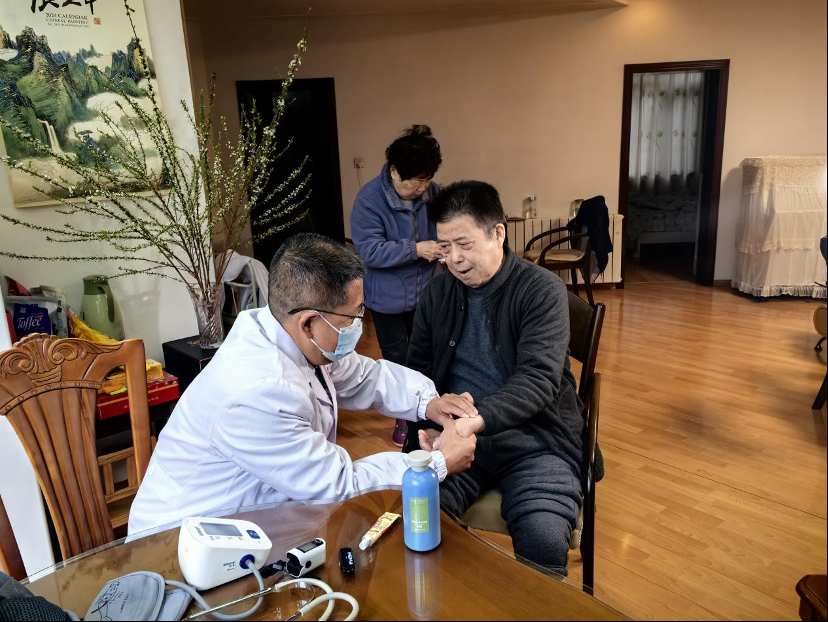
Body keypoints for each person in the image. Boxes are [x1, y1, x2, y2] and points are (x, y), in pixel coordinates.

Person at [128, 233, 477, 535]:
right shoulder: (257, 390)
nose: (360, 323)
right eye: (354, 315)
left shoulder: (288, 333)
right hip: (182, 543)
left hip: (262, 519)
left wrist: (427, 402)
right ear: (309, 322)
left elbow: (362, 375)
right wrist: (436, 463)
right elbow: (336, 483)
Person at [403, 181, 604, 576]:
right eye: (444, 247)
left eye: (464, 244)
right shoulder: (437, 294)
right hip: (456, 441)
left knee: (543, 541)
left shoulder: (540, 290)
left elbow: (538, 379)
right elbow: (418, 373)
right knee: (416, 522)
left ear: (498, 233)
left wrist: (473, 421)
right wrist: (426, 426)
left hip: (538, 442)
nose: (454, 259)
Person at [351, 125, 444, 447]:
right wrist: (415, 249)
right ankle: (403, 416)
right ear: (393, 171)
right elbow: (370, 251)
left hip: (428, 292)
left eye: (426, 180)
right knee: (397, 358)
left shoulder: (433, 193)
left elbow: (446, 226)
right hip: (387, 299)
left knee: (428, 352)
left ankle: (431, 412)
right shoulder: (369, 200)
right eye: (414, 182)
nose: (421, 188)